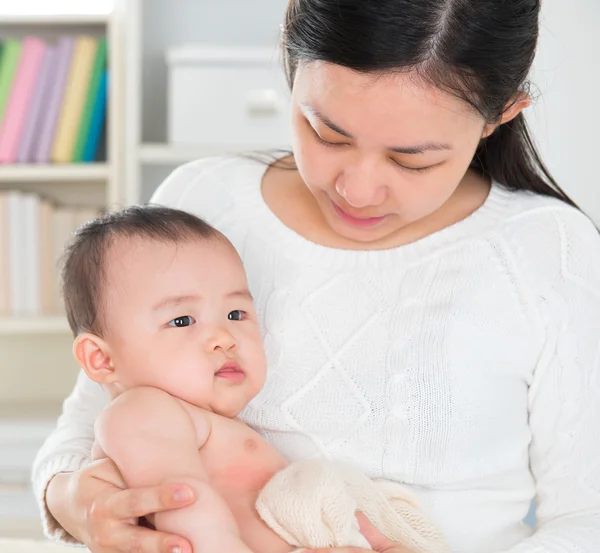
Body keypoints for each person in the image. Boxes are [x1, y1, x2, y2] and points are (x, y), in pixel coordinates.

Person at [33, 1, 600, 553]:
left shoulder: (548, 249)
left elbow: (587, 517)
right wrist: (79, 506)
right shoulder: (203, 203)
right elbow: (90, 422)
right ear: (290, 61)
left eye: (412, 161)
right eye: (327, 133)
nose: (356, 189)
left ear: (500, 115)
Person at [57, 205, 447, 553]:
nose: (224, 338)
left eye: (236, 314)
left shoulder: (199, 420)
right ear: (101, 359)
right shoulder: (140, 412)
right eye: (181, 320)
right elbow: (189, 510)